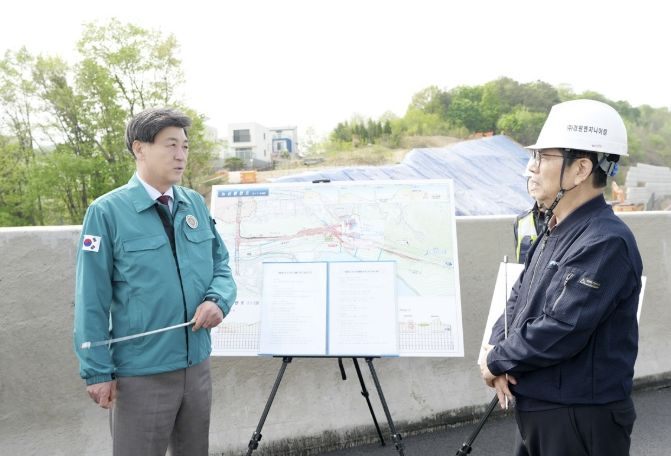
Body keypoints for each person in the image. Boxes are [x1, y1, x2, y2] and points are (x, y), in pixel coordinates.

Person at [481, 99, 643, 456]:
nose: (531, 167)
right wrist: (495, 349)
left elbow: (562, 327)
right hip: (540, 408)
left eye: (543, 157)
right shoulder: (553, 229)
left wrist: (497, 360)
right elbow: (519, 297)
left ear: (581, 169)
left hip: (579, 417)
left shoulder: (605, 241)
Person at [73, 108, 237, 456]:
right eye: (170, 145)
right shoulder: (106, 212)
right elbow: (91, 298)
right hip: (142, 373)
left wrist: (217, 300)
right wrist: (97, 371)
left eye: (185, 146)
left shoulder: (193, 204)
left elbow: (221, 265)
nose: (181, 155)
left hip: (196, 367)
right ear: (140, 148)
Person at [513, 167, 546, 264]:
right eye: (530, 178)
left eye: (538, 178)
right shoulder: (521, 220)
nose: (533, 182)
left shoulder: (562, 217)